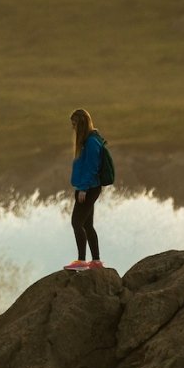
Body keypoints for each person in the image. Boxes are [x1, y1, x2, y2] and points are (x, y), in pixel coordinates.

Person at [66, 108, 107, 270]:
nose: (73, 128)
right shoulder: (88, 141)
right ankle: (96, 261)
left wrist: (83, 189)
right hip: (87, 187)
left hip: (88, 188)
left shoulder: (91, 142)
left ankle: (81, 261)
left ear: (81, 124)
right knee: (87, 225)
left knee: (76, 222)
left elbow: (92, 167)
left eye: (74, 124)